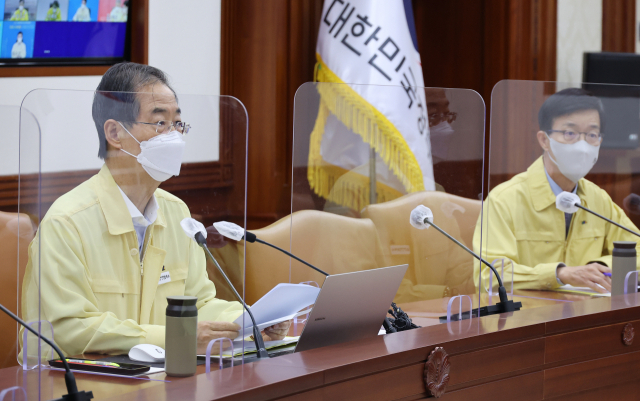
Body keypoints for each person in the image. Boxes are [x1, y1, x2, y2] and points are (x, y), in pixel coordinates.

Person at [21, 63, 290, 357]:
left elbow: (199, 304)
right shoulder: (67, 222)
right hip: (82, 383)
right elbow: (68, 329)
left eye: (177, 124)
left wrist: (250, 320)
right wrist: (177, 335)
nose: (173, 136)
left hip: (158, 377)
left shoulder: (177, 215)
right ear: (114, 132)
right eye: (160, 123)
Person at [473, 88, 640, 294]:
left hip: (586, 313)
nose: (582, 145)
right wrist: (560, 274)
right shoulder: (504, 200)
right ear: (544, 140)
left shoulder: (598, 199)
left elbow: (637, 250)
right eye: (570, 133)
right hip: (528, 316)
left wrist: (601, 267)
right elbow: (488, 276)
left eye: (591, 135)